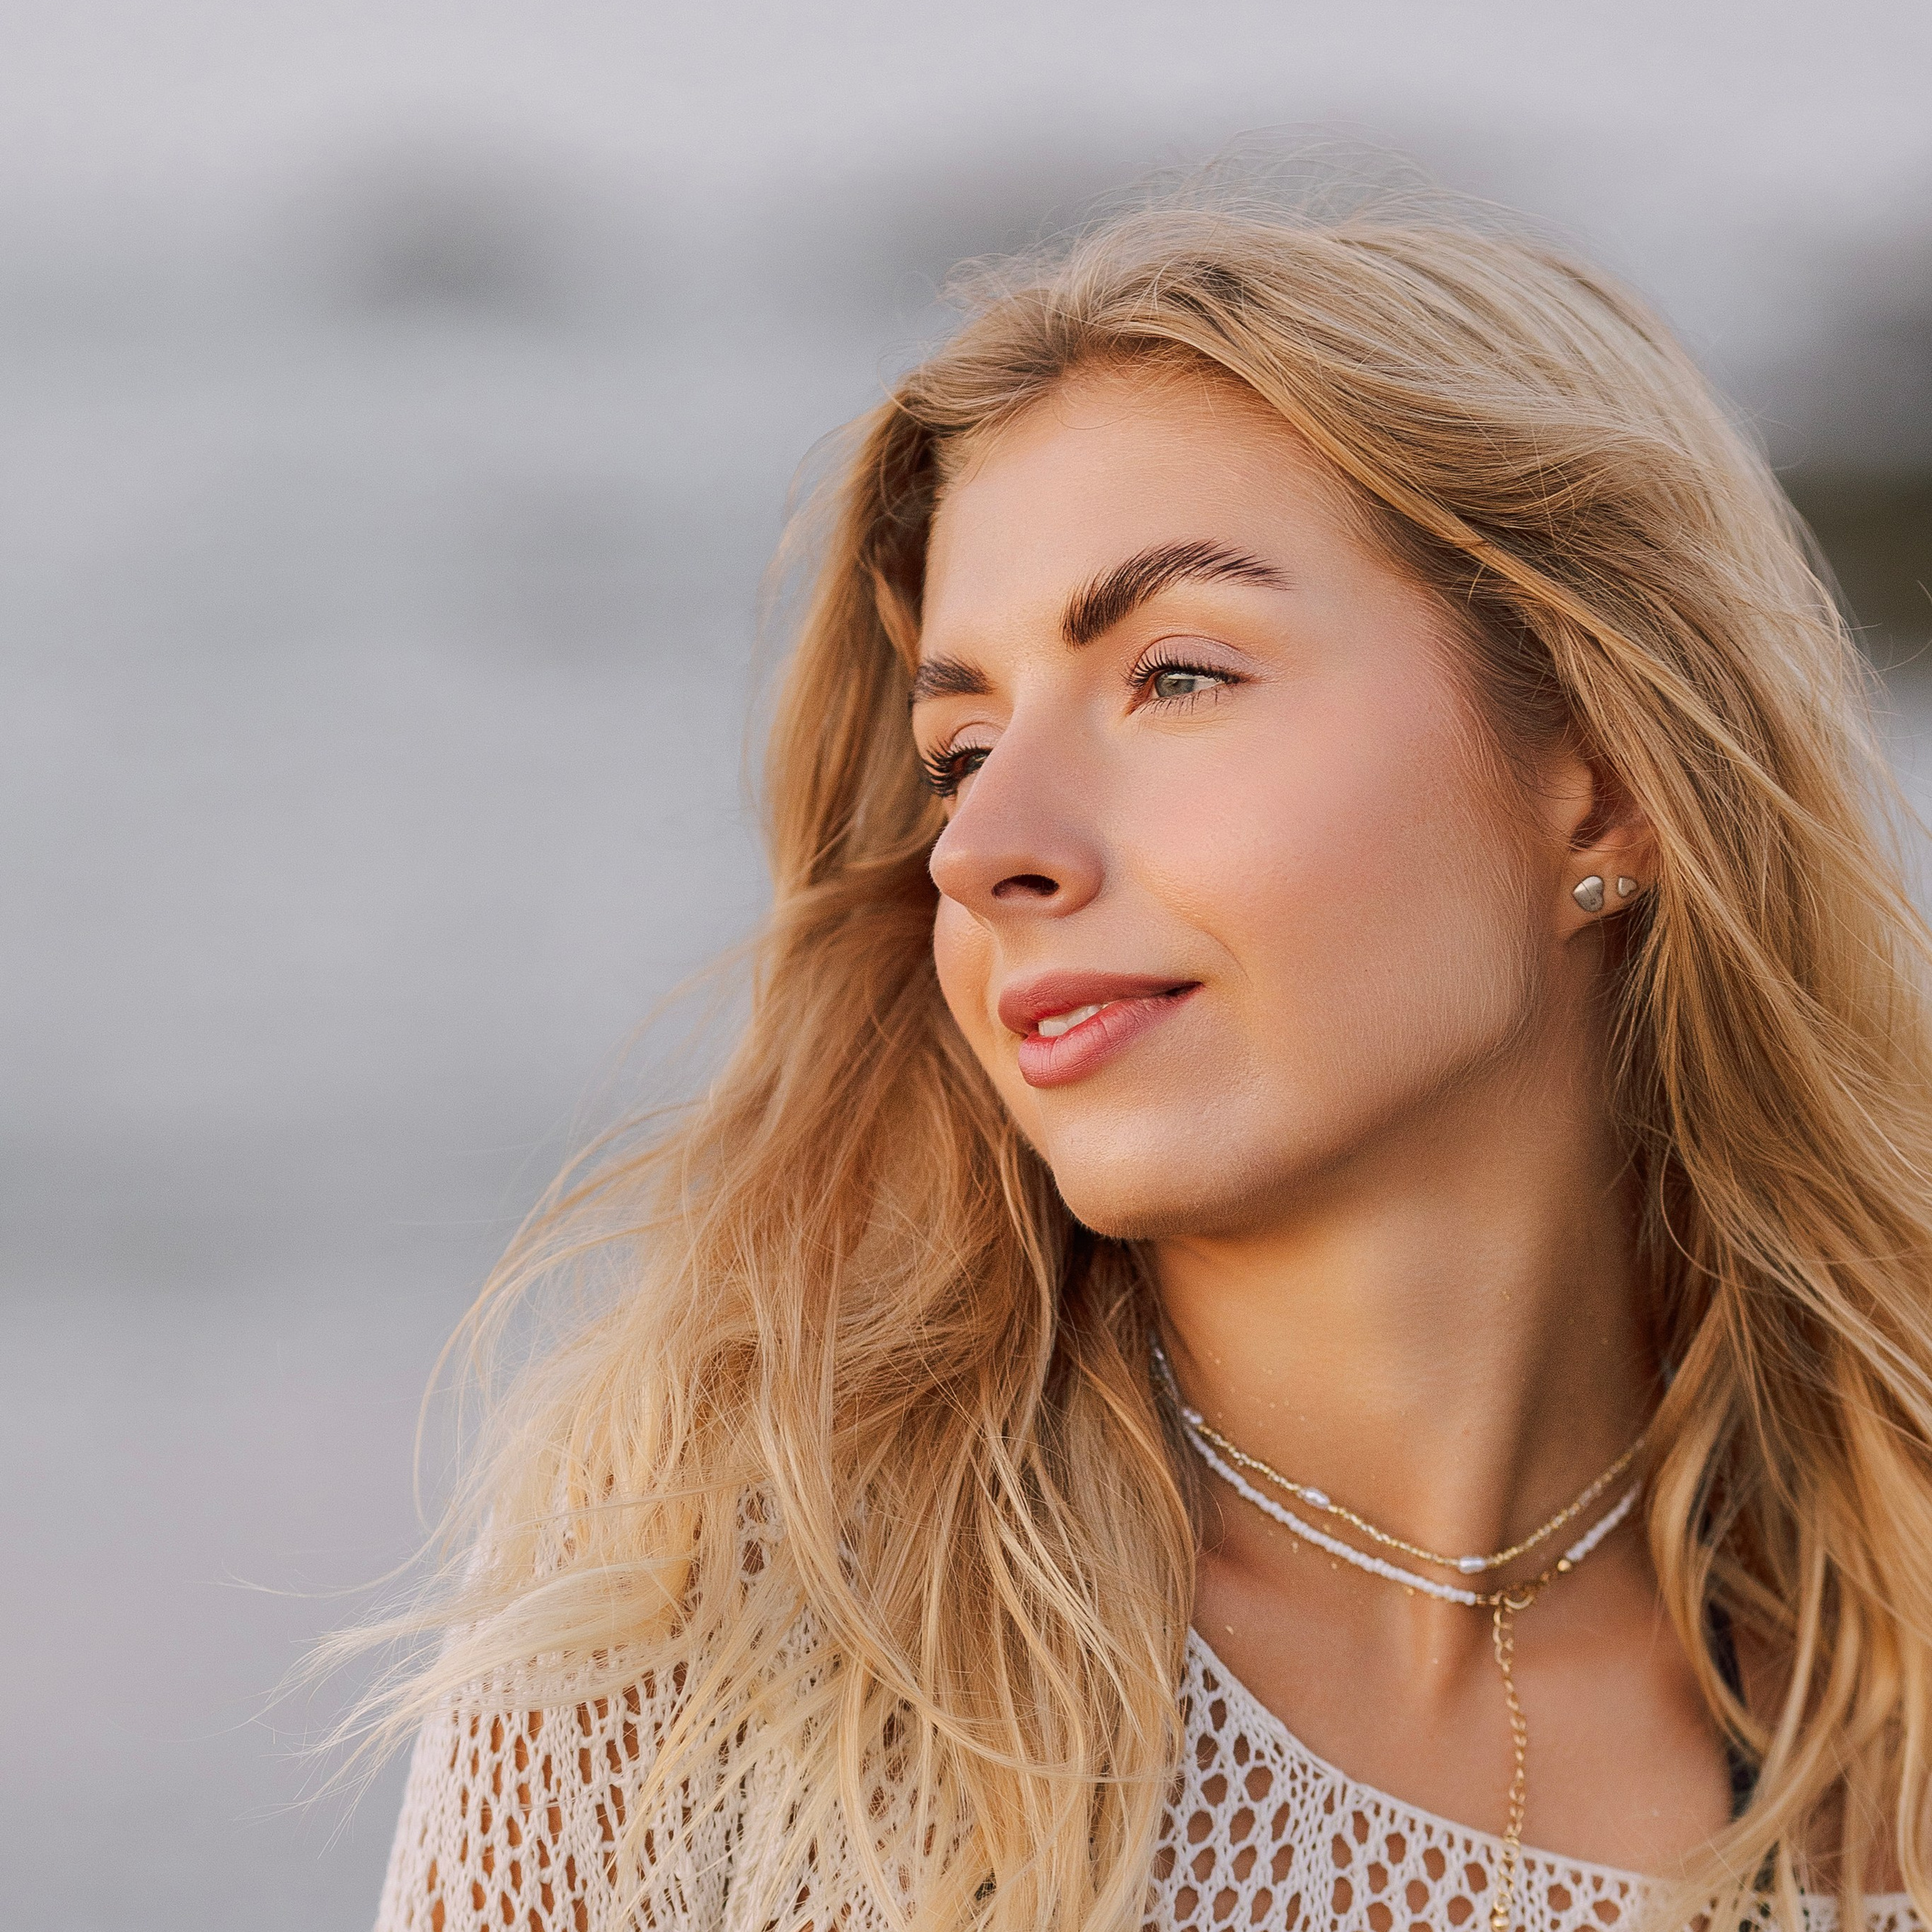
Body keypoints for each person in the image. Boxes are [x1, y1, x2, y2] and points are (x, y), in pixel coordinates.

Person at [358, 188, 1932, 1932]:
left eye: (1172, 674)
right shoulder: (693, 1690)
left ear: (1605, 776)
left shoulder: (1878, 1726)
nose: (984, 847)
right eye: (959, 747)